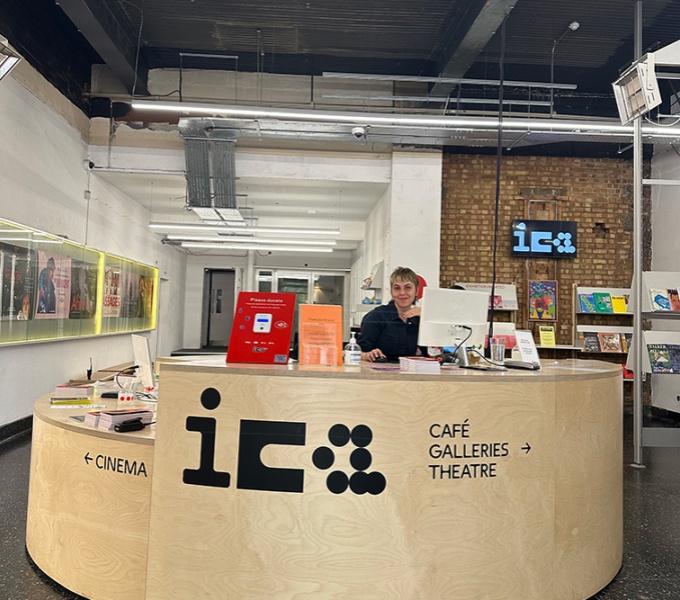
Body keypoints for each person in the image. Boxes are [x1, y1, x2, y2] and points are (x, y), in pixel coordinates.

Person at [357, 266, 425, 361]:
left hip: (412, 372)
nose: (402, 293)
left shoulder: (419, 319)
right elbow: (357, 353)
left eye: (407, 288)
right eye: (397, 288)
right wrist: (367, 355)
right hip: (379, 372)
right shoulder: (376, 317)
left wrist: (427, 318)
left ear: (417, 291)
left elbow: (433, 354)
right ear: (392, 291)